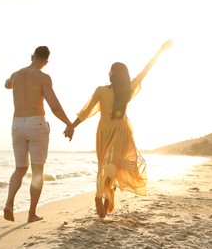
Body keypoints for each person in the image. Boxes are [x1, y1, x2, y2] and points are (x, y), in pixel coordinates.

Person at [64, 39, 173, 218]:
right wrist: (72, 127)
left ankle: (104, 197)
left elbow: (145, 71)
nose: (108, 72)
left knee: (113, 166)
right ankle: (101, 196)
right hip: (106, 133)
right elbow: (86, 111)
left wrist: (159, 52)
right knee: (105, 166)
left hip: (119, 132)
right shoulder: (102, 90)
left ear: (114, 73)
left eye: (110, 69)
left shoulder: (126, 89)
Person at [4, 46, 73, 223]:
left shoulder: (17, 74)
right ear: (46, 62)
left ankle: (9, 204)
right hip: (36, 124)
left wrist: (10, 79)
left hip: (17, 124)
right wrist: (68, 123)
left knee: (19, 169)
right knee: (37, 171)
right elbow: (54, 106)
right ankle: (31, 213)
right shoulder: (43, 78)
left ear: (32, 56)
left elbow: (7, 84)